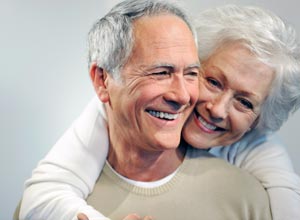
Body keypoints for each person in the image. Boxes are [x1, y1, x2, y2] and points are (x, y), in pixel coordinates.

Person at [18, 1, 300, 220]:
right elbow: (44, 191)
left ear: (259, 120)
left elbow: (288, 202)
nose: (216, 109)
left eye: (245, 103)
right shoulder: (103, 112)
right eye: (212, 81)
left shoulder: (255, 169)